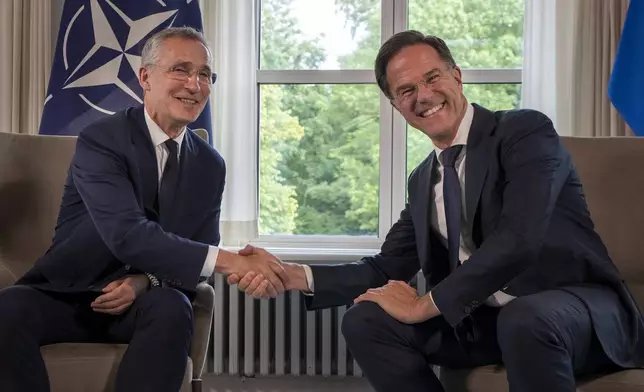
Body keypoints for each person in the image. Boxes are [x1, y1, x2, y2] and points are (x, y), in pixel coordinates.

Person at [230, 30, 644, 392]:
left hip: (575, 313)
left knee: (525, 317)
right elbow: (385, 268)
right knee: (366, 321)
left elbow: (519, 241)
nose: (423, 96)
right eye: (406, 91)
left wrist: (423, 304)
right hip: (489, 323)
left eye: (431, 78)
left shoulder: (523, 132)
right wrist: (292, 275)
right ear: (396, 106)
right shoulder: (423, 178)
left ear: (457, 76)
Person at [0, 27, 284, 392]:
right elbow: (127, 234)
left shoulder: (210, 165)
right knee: (6, 309)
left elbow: (198, 253)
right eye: (180, 69)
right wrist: (236, 261)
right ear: (145, 77)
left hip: (143, 305)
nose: (194, 85)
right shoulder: (101, 140)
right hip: (68, 294)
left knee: (173, 306)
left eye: (204, 74)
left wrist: (143, 282)